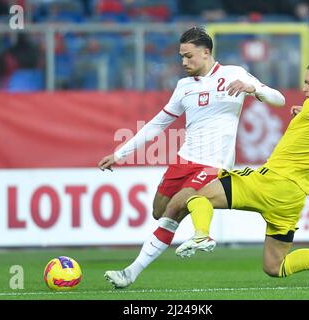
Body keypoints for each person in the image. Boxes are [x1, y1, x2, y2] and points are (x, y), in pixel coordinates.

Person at [99, 26, 285, 288]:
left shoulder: (234, 74)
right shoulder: (184, 86)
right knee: (159, 211)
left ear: (206, 52)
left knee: (175, 207)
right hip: (185, 159)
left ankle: (131, 272)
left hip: (214, 163)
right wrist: (121, 154)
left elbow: (279, 99)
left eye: (189, 56)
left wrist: (253, 88)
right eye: (181, 57)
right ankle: (194, 232)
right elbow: (157, 124)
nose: (184, 62)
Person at [175, 60, 309, 279]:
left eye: (308, 83)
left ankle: (202, 235)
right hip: (293, 198)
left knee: (197, 197)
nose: (304, 88)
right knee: (275, 267)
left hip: (271, 183)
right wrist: (306, 116)